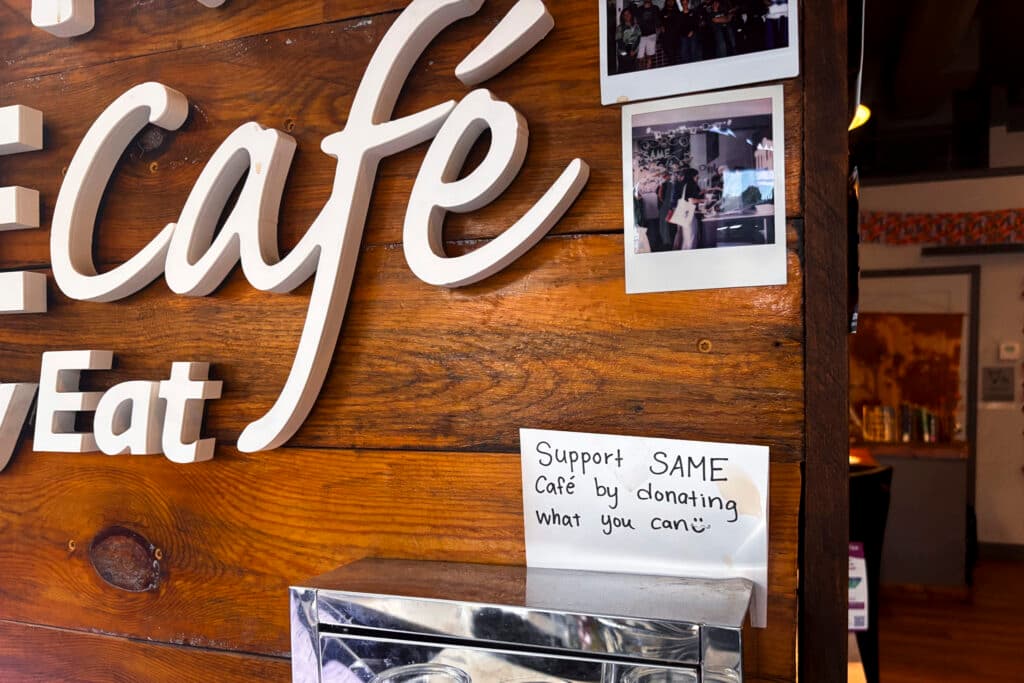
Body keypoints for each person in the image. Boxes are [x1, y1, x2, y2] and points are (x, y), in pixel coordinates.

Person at [673, 168, 705, 250]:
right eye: (696, 175)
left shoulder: (683, 184)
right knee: (691, 237)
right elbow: (691, 200)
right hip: (688, 213)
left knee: (685, 238)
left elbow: (686, 196)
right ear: (692, 176)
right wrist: (703, 200)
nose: (697, 177)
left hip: (681, 211)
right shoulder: (691, 184)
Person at [635, 0, 662, 70]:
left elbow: (659, 22)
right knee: (640, 57)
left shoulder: (655, 8)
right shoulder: (639, 9)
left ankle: (648, 72)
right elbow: (637, 22)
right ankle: (642, 72)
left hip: (652, 34)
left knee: (650, 56)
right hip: (641, 36)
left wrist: (658, 33)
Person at [615, 9, 641, 73]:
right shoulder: (619, 27)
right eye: (625, 15)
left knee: (632, 71)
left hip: (633, 52)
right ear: (623, 17)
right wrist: (627, 52)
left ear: (631, 15)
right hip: (623, 53)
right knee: (622, 72)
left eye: (628, 14)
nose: (627, 16)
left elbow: (638, 39)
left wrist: (634, 50)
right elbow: (619, 41)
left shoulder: (636, 26)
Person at [660, 1, 683, 65]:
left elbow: (680, 23)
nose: (671, 2)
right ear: (666, 2)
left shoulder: (678, 11)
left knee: (676, 55)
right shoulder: (663, 12)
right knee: (669, 56)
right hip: (667, 37)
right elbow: (659, 22)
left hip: (676, 37)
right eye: (669, 1)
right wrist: (661, 26)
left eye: (672, 1)